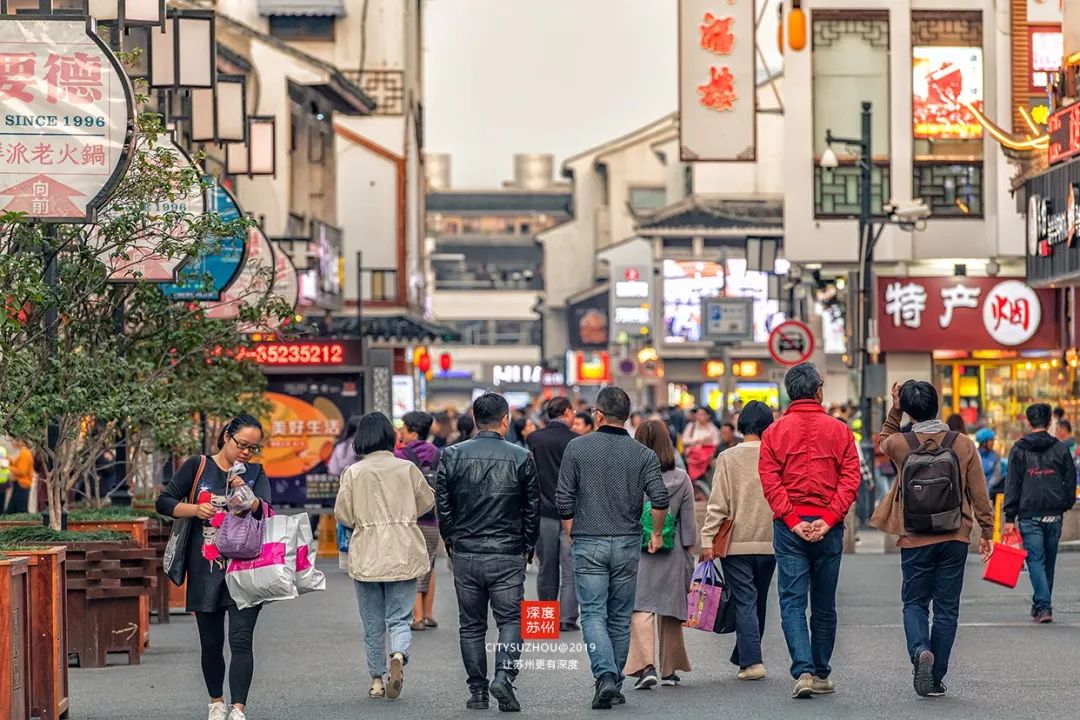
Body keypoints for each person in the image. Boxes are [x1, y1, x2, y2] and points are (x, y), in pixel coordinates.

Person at [871, 381, 994, 697]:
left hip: (914, 538)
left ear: (911, 411)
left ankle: (919, 651)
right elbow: (979, 494)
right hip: (954, 536)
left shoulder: (901, 444)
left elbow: (883, 439)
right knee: (946, 609)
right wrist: (987, 532)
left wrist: (895, 407)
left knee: (914, 602)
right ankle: (935, 677)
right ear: (937, 404)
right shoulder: (963, 444)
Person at [556, 386, 670, 710]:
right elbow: (659, 499)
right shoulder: (643, 455)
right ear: (629, 417)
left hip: (588, 539)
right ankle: (613, 681)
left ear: (598, 414)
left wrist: (571, 531)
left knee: (592, 612)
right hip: (627, 542)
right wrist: (657, 533)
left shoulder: (577, 448)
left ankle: (605, 676)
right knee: (620, 616)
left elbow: (564, 497)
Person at [155, 415, 272, 720]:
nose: (246, 452)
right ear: (225, 436)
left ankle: (238, 708)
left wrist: (243, 489)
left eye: (253, 448)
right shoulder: (198, 466)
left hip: (245, 569)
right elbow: (164, 502)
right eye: (242, 445)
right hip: (205, 567)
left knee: (241, 640)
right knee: (211, 642)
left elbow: (266, 512)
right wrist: (194, 509)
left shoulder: (256, 473)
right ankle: (216, 702)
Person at [757, 363, 860, 700]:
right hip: (828, 528)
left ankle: (802, 669)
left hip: (790, 528)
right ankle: (820, 671)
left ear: (789, 392)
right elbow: (850, 479)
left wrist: (792, 520)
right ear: (818, 391)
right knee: (825, 603)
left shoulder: (773, 433)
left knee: (791, 600)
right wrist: (829, 519)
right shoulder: (841, 430)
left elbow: (770, 481)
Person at [436, 393, 540, 712]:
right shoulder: (521, 457)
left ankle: (478, 690)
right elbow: (532, 508)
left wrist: (452, 540)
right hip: (508, 551)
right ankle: (504, 677)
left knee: (471, 624)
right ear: (505, 419)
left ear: (475, 417)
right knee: (511, 619)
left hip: (466, 551)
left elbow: (444, 505)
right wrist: (527, 545)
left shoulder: (452, 456)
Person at [335, 412, 435, 701]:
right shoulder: (406, 469)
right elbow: (427, 501)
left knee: (372, 620)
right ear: (390, 436)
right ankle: (399, 656)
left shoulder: (354, 472)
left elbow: (343, 513)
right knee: (400, 617)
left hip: (367, 550)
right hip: (403, 549)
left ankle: (377, 679)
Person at [699, 401, 777, 682]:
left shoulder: (728, 458)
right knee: (759, 600)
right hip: (771, 541)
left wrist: (707, 538)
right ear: (769, 424)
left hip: (735, 543)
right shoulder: (777, 455)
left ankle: (752, 661)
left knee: (745, 598)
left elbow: (717, 505)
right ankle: (744, 656)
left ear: (741, 424)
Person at [624, 420, 697, 689]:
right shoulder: (681, 478)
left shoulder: (631, 476)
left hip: (638, 549)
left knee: (640, 608)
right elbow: (688, 524)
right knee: (670, 610)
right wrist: (690, 556)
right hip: (673, 550)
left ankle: (645, 667)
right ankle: (669, 669)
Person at [1004, 403, 1078, 624]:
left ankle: (1042, 606)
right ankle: (1042, 606)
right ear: (1049, 422)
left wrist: (1009, 517)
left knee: (1035, 560)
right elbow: (1070, 480)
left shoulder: (1019, 449)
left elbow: (1012, 484)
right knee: (1048, 562)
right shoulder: (1061, 449)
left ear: (1028, 422)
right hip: (1054, 514)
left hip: (1029, 515)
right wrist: (1065, 504)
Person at [525, 397, 580, 632]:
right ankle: (567, 619)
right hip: (572, 515)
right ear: (567, 412)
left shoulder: (534, 439)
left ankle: (544, 622)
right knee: (570, 568)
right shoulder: (577, 441)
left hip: (543, 512)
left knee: (546, 567)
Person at [395, 411, 441, 632]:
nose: (400, 431)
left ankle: (417, 617)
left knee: (412, 566)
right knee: (429, 566)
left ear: (412, 431)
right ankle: (429, 613)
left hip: (409, 519)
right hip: (432, 519)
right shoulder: (438, 453)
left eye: (403, 427)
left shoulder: (401, 455)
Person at [682, 407, 720, 483]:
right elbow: (684, 440)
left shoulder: (712, 428)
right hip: (692, 458)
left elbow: (716, 442)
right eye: (698, 414)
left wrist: (706, 443)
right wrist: (698, 441)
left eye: (702, 414)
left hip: (707, 459)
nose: (699, 416)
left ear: (708, 416)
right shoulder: (691, 426)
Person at [7, 439, 33, 514]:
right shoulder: (23, 452)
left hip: (22, 484)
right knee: (12, 510)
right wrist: (9, 461)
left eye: (13, 440)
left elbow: (21, 471)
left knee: (20, 510)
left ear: (21, 441)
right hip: (19, 484)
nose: (12, 443)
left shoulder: (25, 453)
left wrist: (8, 467)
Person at [975, 428, 1002, 497]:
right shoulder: (975, 454)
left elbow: (997, 474)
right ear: (983, 442)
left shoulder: (995, 455)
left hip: (991, 491)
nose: (993, 442)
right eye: (991, 440)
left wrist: (989, 487)